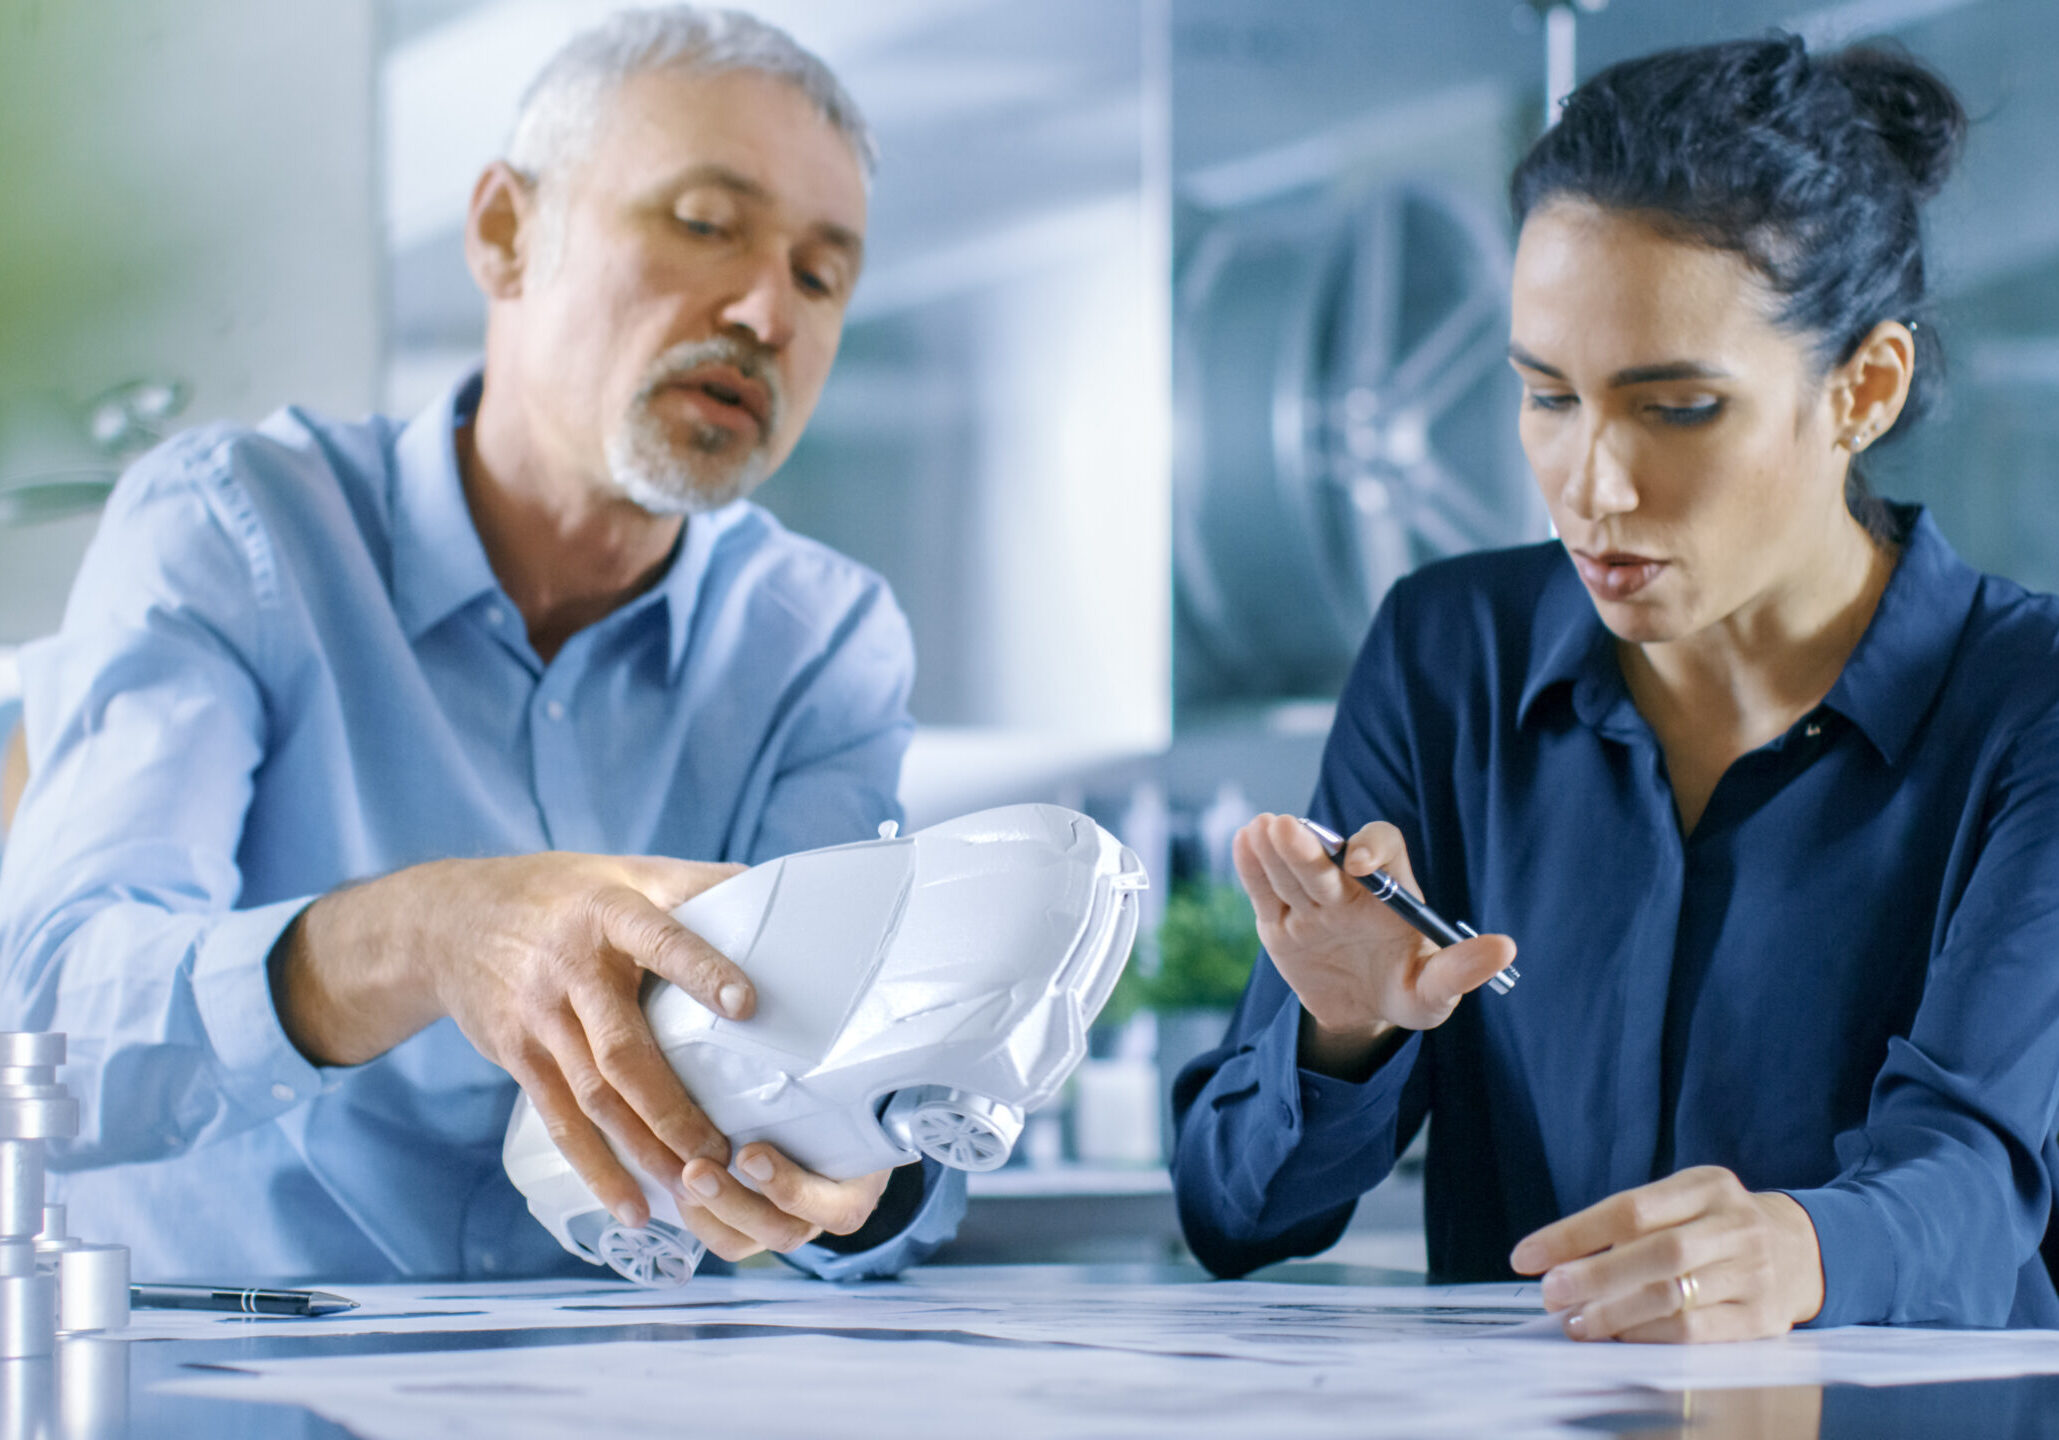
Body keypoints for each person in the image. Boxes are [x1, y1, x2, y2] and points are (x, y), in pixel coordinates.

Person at [0, 6, 963, 1282]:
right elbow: (55, 1017)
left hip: (617, 1400)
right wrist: (425, 932)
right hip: (222, 1383)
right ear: (508, 232)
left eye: (820, 275)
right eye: (703, 224)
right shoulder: (236, 528)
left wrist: (862, 1185)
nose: (763, 311)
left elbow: (866, 1084)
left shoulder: (823, 640)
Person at [1173, 33, 2059, 1341]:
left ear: (1860, 390)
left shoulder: (2021, 706)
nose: (1591, 486)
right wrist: (1340, 1035)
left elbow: (1980, 1181)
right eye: (1545, 397)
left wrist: (1801, 1244)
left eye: (1676, 409)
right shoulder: (1444, 655)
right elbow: (1233, 1216)